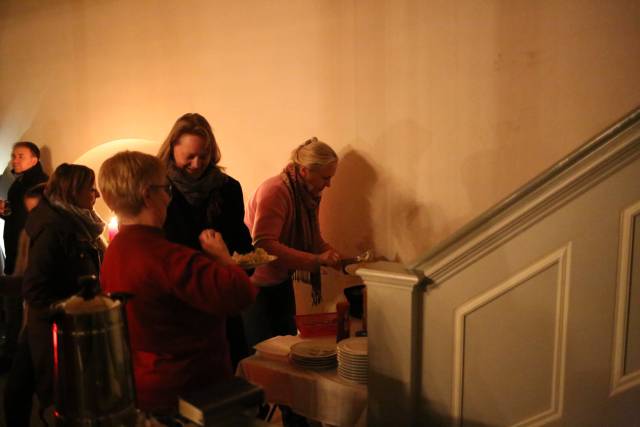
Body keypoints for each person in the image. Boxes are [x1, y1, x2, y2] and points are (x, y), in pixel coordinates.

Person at [99, 151, 257, 417]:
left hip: (142, 382)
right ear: (148, 194)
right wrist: (222, 256)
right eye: (166, 189)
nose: (169, 197)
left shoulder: (115, 250)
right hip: (190, 391)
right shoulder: (167, 257)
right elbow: (241, 293)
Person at [157, 113, 254, 370]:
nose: (197, 163)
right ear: (172, 148)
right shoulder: (158, 188)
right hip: (179, 300)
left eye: (204, 155)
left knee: (228, 373)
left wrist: (244, 258)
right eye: (189, 156)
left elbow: (240, 239)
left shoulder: (228, 188)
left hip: (219, 296)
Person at [14, 164, 104, 425]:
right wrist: (78, 307)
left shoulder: (74, 224)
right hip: (59, 336)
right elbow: (36, 290)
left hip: (64, 332)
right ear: (72, 191)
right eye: (90, 188)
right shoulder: (55, 229)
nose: (96, 194)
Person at [243, 137, 342, 346]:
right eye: (325, 178)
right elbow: (264, 245)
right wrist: (316, 260)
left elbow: (314, 239)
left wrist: (336, 258)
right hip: (256, 285)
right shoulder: (276, 190)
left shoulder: (309, 193)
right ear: (305, 171)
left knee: (288, 349)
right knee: (263, 355)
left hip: (281, 280)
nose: (329, 184)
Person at [0, 142, 48, 372]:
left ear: (34, 159)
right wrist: (6, 211)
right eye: (13, 156)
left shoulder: (39, 185)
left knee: (22, 309)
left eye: (20, 156)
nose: (14, 160)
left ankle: (16, 358)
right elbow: (18, 216)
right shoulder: (19, 184)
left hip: (27, 255)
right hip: (16, 252)